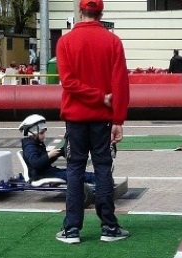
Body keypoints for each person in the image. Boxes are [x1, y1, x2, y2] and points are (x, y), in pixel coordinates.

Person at [55, 0, 130, 244]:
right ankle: (109, 227)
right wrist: (117, 117)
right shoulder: (112, 41)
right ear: (101, 13)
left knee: (74, 169)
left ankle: (71, 229)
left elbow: (68, 82)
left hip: (75, 119)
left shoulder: (65, 42)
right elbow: (121, 83)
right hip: (102, 119)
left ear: (80, 11)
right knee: (102, 168)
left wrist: (95, 96)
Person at [19, 114, 95, 184]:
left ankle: (97, 179)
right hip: (41, 175)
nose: (44, 135)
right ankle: (99, 183)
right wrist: (49, 155)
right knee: (76, 175)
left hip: (47, 172)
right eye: (41, 133)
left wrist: (56, 153)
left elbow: (43, 163)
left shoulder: (36, 143)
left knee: (76, 172)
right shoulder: (29, 147)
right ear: (32, 133)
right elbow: (36, 164)